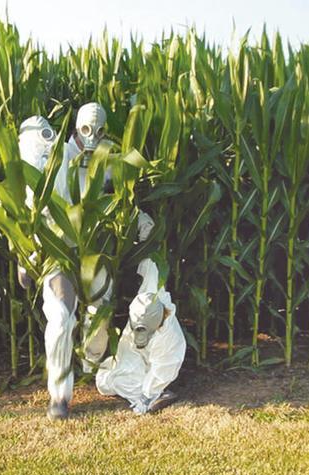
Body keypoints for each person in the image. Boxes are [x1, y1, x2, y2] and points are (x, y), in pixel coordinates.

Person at [17, 104, 155, 420]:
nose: (92, 138)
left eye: (99, 131)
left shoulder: (106, 160)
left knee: (102, 310)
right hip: (58, 254)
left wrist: (141, 221)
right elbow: (30, 204)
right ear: (76, 130)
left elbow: (123, 197)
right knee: (62, 319)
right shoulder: (54, 157)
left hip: (94, 253)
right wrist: (24, 255)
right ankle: (60, 396)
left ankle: (91, 365)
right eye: (85, 131)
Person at [95, 258, 185, 414]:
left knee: (118, 382)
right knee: (104, 381)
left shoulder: (169, 340)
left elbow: (162, 370)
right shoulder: (149, 297)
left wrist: (146, 396)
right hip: (135, 353)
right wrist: (146, 241)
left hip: (154, 365)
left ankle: (159, 395)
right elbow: (151, 266)